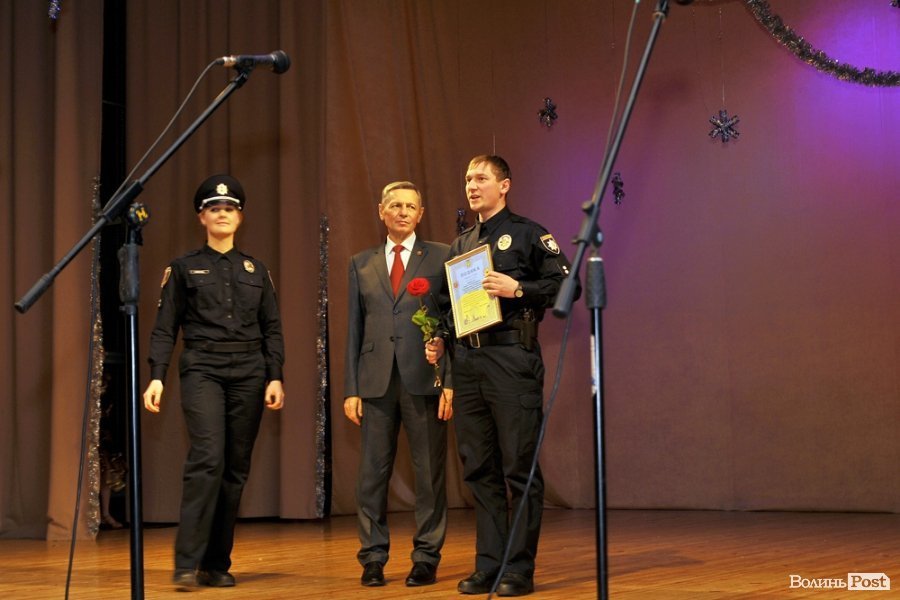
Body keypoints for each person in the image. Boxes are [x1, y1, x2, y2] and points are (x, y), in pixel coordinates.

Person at [430, 155, 578, 597]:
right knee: (479, 469)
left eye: (481, 178)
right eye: (467, 179)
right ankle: (488, 565)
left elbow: (568, 285)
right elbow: (447, 306)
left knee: (518, 467)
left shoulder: (530, 233)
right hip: (469, 363)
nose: (472, 186)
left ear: (505, 185)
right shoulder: (460, 246)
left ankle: (518, 568)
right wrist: (438, 338)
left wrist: (520, 289)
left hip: (512, 359)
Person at [143, 174, 285, 591]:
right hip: (203, 367)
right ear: (201, 217)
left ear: (240, 217)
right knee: (207, 459)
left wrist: (275, 376)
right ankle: (186, 563)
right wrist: (156, 377)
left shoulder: (256, 270)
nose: (222, 214)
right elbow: (165, 328)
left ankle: (216, 563)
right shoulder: (183, 268)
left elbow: (272, 328)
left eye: (229, 208)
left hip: (249, 372)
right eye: (214, 208)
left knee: (234, 469)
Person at [343, 180, 453, 588]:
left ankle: (426, 556)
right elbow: (354, 330)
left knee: (429, 475)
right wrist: (351, 388)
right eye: (395, 206)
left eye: (410, 206)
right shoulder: (361, 263)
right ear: (382, 212)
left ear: (420, 214)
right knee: (371, 476)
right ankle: (372, 558)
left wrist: (450, 379)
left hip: (425, 379)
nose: (403, 212)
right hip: (375, 383)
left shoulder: (442, 256)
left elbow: (454, 322)